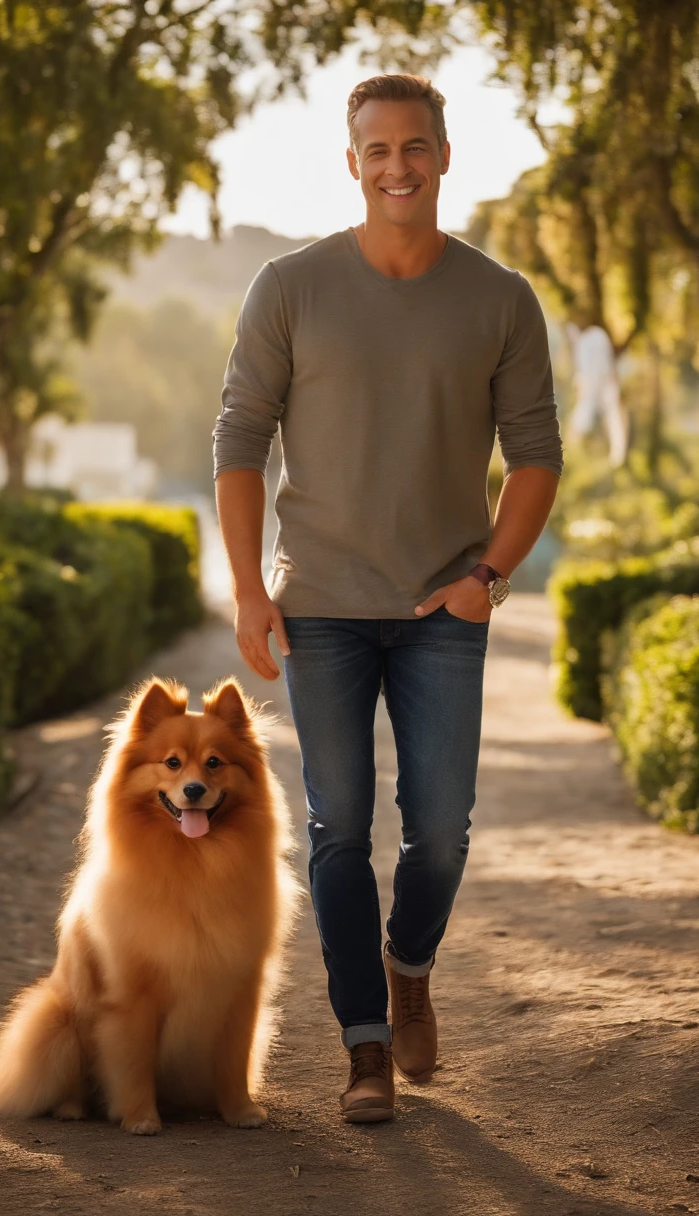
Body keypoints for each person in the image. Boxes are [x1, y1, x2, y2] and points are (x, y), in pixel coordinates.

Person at [212, 73, 563, 1124]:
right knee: (335, 828)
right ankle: (365, 1046)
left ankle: (409, 963)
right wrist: (247, 592)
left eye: (415, 146)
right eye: (377, 149)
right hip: (316, 601)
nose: (397, 165)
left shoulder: (500, 297)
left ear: (445, 155)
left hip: (440, 609)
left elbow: (536, 455)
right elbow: (238, 440)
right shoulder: (287, 285)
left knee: (441, 830)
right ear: (352, 162)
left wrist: (485, 576)